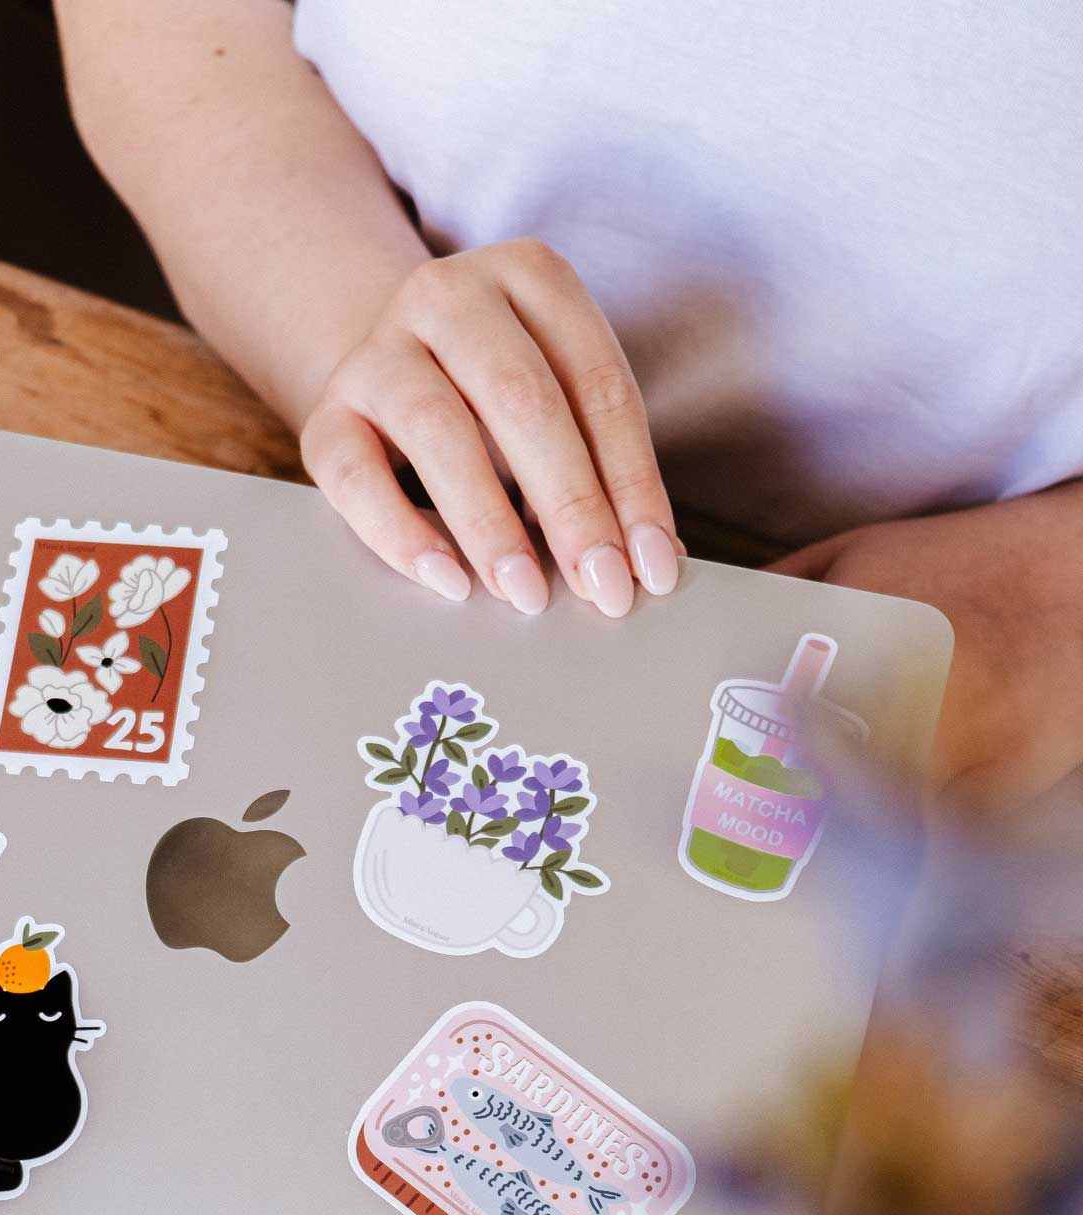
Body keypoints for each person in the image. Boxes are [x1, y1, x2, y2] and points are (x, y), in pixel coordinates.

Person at [54, 0, 1083, 806]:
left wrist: (1046, 600)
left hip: (991, 694)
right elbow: (170, 27)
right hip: (363, 502)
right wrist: (355, 342)